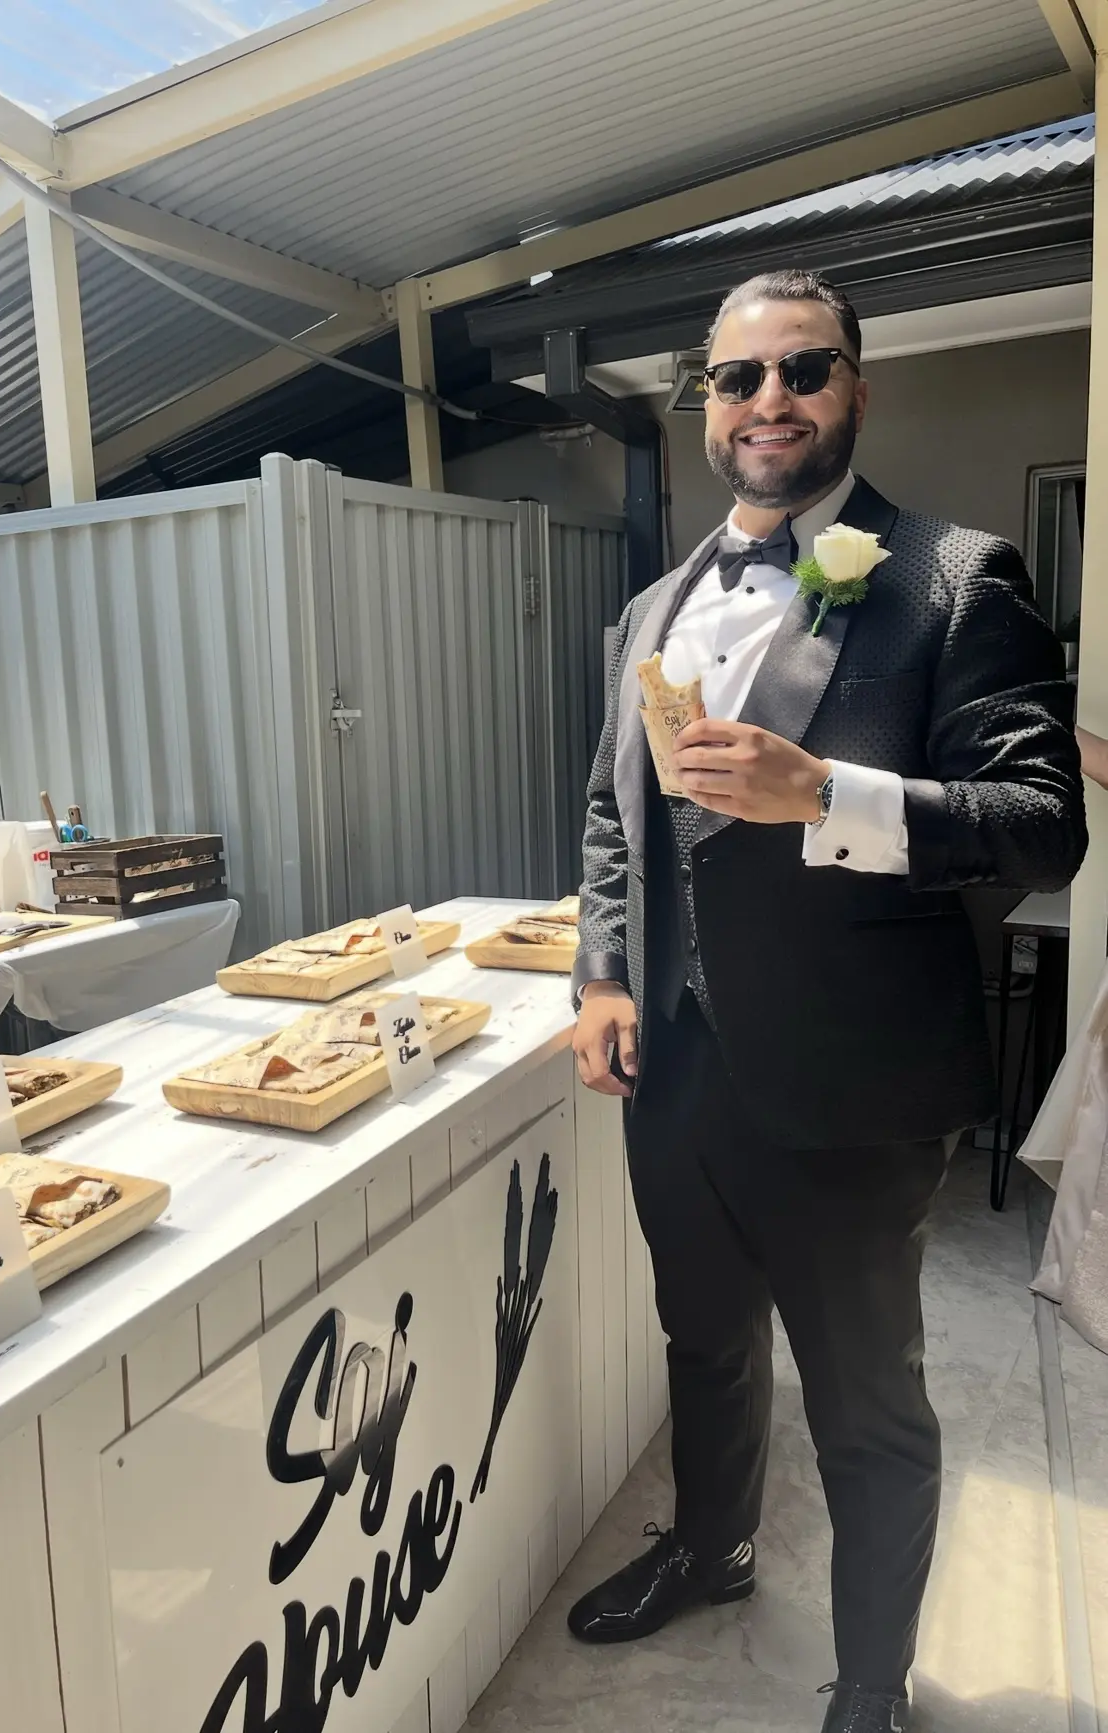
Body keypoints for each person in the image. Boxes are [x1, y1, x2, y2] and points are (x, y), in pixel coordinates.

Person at [568, 269, 1086, 1733]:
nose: (771, 400)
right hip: (676, 1077)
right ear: (706, 408)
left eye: (805, 370)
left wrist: (831, 795)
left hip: (854, 1087)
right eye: (740, 379)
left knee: (867, 1407)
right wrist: (604, 972)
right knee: (703, 1340)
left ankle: (872, 1684)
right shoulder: (647, 611)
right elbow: (612, 817)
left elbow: (1046, 819)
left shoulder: (952, 576)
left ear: (856, 386)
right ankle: (712, 1547)